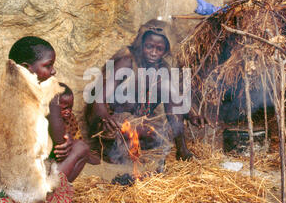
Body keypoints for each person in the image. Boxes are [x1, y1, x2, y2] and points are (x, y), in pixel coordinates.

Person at [0, 36, 95, 203]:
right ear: (27, 67)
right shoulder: (49, 93)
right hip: (19, 202)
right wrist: (66, 139)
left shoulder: (3, 92)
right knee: (81, 148)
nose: (53, 71)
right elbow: (59, 142)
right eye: (48, 66)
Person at [85, 19, 205, 165]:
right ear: (141, 45)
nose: (153, 53)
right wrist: (106, 119)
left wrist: (191, 115)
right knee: (143, 133)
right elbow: (99, 100)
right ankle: (116, 149)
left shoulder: (163, 68)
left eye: (159, 49)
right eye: (149, 47)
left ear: (165, 50)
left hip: (138, 120)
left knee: (158, 125)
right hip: (112, 123)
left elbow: (175, 99)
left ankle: (182, 150)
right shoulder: (127, 61)